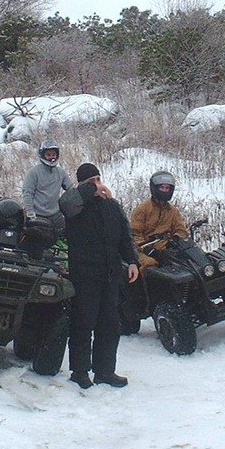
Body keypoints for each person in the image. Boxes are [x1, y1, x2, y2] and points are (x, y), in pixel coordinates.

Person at [59, 163, 139, 389]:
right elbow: (65, 204)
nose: (97, 184)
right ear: (82, 185)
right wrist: (90, 189)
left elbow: (125, 236)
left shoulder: (111, 206)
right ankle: (80, 372)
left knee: (110, 325)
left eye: (98, 179)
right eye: (90, 181)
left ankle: (105, 371)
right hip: (85, 274)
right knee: (83, 324)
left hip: (110, 274)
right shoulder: (75, 205)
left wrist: (132, 261)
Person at [130, 170, 188, 270]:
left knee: (188, 261)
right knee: (150, 264)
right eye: (162, 187)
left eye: (167, 188)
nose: (165, 191)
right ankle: (146, 285)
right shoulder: (143, 209)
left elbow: (181, 230)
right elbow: (134, 235)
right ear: (154, 188)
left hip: (165, 249)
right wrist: (148, 249)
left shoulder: (173, 211)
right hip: (142, 250)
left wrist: (175, 239)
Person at [21, 140, 72, 237]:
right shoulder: (33, 173)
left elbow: (71, 189)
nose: (52, 158)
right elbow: (27, 193)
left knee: (69, 233)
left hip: (56, 215)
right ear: (42, 155)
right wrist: (30, 212)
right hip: (38, 215)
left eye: (54, 154)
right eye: (48, 155)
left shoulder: (60, 172)